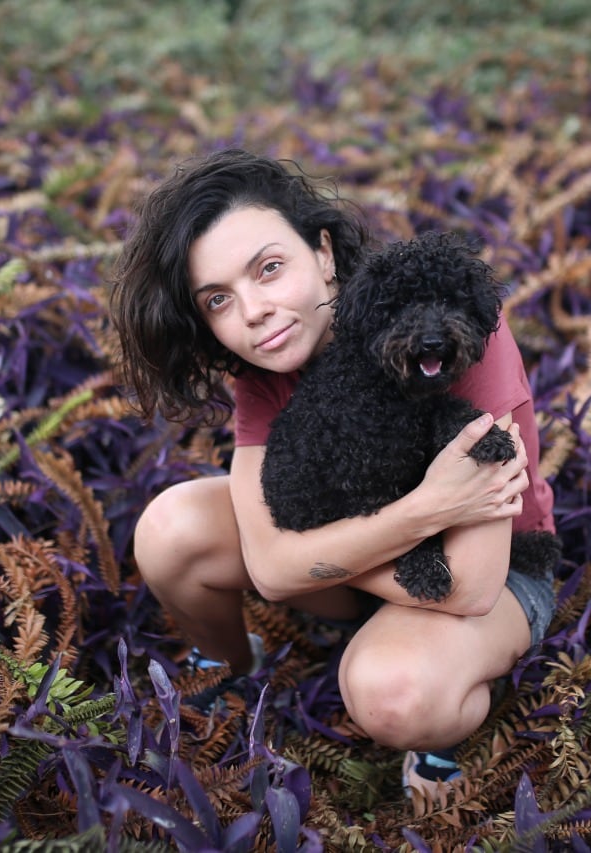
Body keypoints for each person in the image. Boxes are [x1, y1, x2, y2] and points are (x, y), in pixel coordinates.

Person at [109, 148, 557, 802]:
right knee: (170, 530)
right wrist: (426, 509)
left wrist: (306, 558)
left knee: (395, 693)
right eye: (218, 300)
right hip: (380, 550)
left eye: (268, 268)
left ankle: (439, 727)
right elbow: (269, 569)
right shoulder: (265, 366)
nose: (254, 311)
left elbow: (468, 585)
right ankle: (228, 670)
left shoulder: (444, 327)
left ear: (323, 252)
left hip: (497, 574)